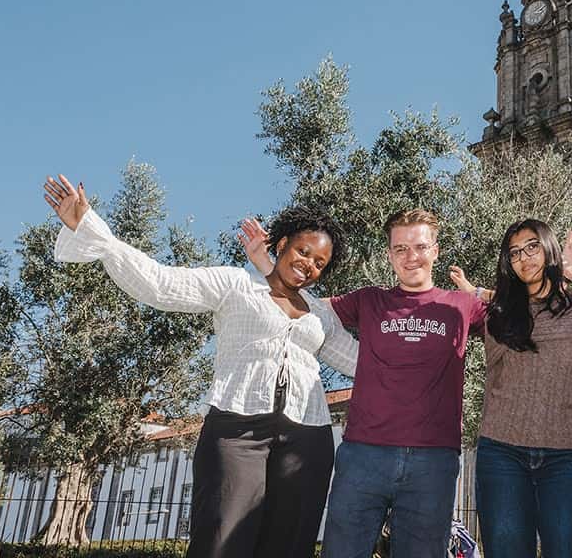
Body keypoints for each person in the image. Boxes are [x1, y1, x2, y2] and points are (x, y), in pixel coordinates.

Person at [43, 175, 358, 558]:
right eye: (304, 251)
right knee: (220, 538)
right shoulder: (236, 283)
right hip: (237, 428)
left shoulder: (320, 313)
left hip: (307, 437)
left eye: (319, 263)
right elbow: (159, 284)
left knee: (290, 543)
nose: (308, 264)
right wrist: (94, 229)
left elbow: (361, 362)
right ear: (281, 244)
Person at [245, 208, 485, 558]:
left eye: (419, 247)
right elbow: (302, 305)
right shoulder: (369, 300)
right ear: (389, 254)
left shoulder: (462, 305)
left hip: (433, 460)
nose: (410, 257)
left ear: (435, 249)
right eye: (400, 248)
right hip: (363, 457)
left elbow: (519, 322)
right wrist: (264, 263)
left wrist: (484, 290)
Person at [446, 220, 572, 558]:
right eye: (514, 252)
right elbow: (500, 302)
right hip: (502, 454)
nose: (524, 257)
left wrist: (564, 277)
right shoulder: (498, 313)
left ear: (548, 248)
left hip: (567, 457)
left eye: (532, 246)